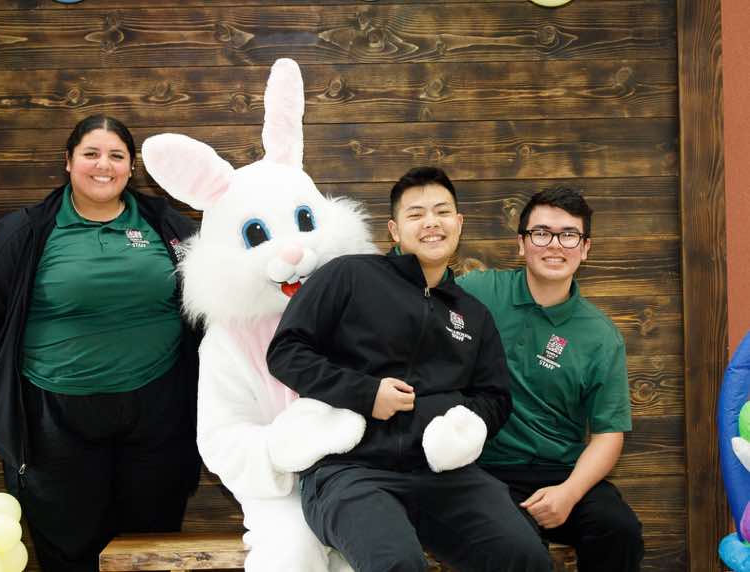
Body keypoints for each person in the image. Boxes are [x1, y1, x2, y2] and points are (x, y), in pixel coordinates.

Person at [267, 166, 553, 572]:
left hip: (443, 474)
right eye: (416, 214)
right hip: (351, 469)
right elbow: (286, 350)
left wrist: (459, 429)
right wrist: (366, 394)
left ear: (458, 224)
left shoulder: (473, 314)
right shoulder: (349, 275)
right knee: (397, 564)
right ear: (395, 230)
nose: (431, 222)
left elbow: (494, 397)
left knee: (526, 557)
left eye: (442, 211)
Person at [0, 115, 203, 572]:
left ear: (131, 168)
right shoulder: (25, 231)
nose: (103, 165)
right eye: (91, 154)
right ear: (68, 161)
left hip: (157, 412)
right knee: (68, 545)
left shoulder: (167, 226)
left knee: (150, 540)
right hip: (55, 418)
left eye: (116, 156)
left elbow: (215, 294)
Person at [455, 185, 644, 572]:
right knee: (519, 545)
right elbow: (417, 304)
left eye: (569, 235)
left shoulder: (600, 335)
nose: (555, 245)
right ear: (521, 243)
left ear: (585, 248)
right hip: (482, 469)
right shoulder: (479, 292)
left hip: (559, 471)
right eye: (541, 233)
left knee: (619, 528)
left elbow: (608, 434)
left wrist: (569, 493)